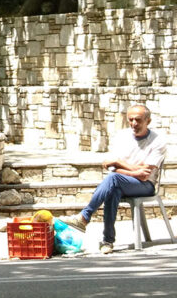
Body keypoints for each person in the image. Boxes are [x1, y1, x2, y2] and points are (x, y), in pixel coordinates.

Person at [63, 104, 166, 254]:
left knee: (114, 179)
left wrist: (118, 163)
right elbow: (111, 167)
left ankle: (85, 217)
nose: (134, 124)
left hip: (146, 185)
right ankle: (107, 241)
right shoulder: (122, 136)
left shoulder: (157, 141)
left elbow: (144, 175)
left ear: (147, 121)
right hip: (123, 181)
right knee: (113, 187)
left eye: (138, 120)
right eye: (130, 120)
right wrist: (129, 169)